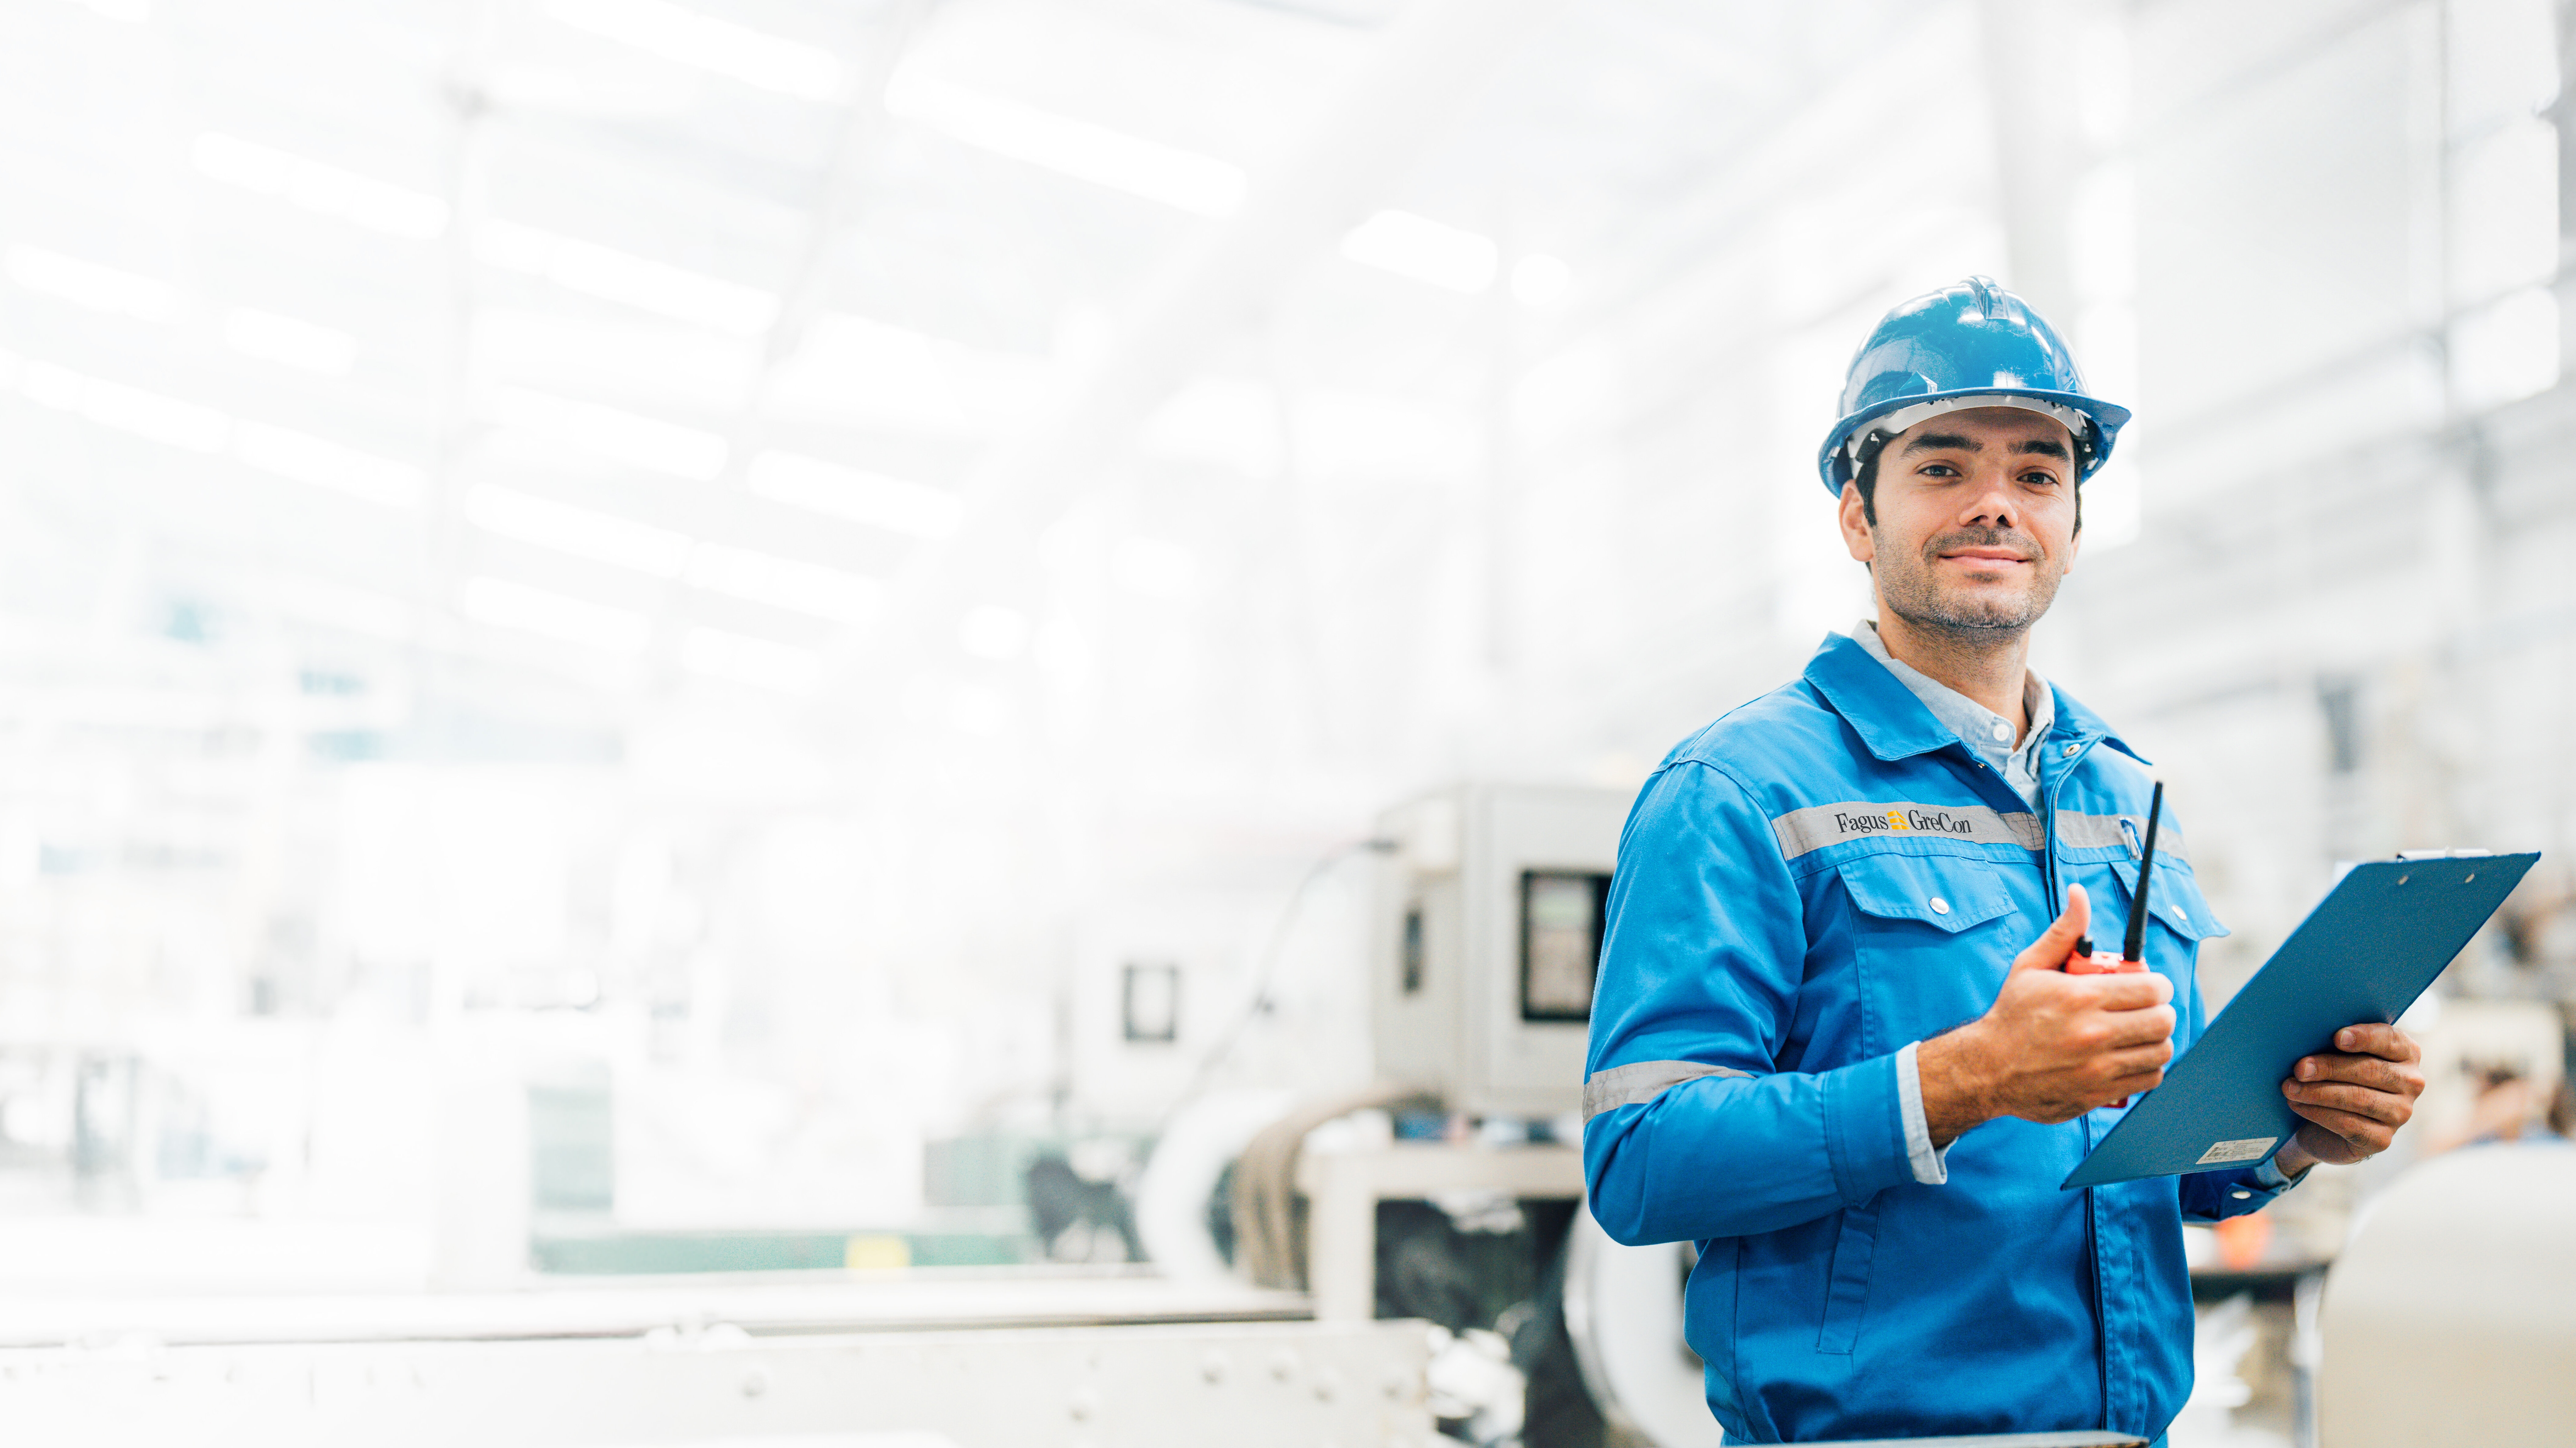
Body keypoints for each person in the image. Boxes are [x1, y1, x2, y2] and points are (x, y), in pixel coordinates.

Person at [1579, 278, 2427, 1445]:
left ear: (2073, 526)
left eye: (2036, 474)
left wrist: (2290, 1135)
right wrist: (1965, 1078)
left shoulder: (2126, 798)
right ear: (1854, 516)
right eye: (1941, 467)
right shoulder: (1733, 790)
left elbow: (2137, 1166)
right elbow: (1639, 1161)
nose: (1995, 505)